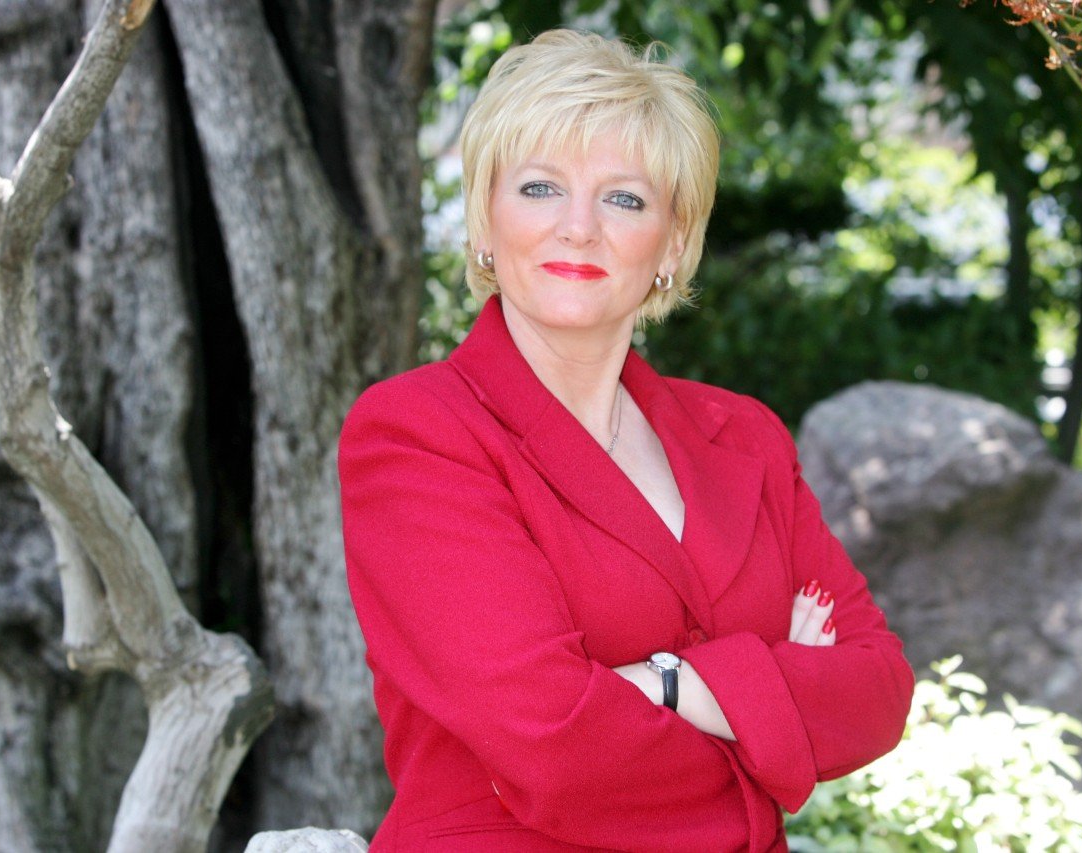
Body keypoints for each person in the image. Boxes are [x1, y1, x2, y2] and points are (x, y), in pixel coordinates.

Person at [338, 29, 914, 852]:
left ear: (672, 246)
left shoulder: (743, 434)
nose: (579, 227)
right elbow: (552, 743)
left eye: (625, 199)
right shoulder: (418, 433)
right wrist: (770, 718)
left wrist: (670, 683)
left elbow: (877, 689)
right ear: (486, 221)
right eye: (540, 188)